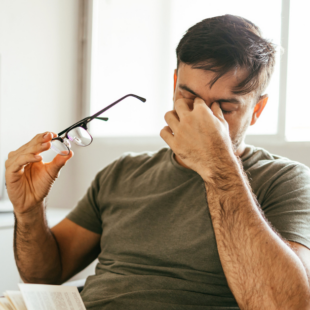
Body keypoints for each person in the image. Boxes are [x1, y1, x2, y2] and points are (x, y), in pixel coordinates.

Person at [5, 15, 310, 310]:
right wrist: (29, 211)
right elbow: (43, 276)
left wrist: (219, 169)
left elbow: (284, 306)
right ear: (175, 82)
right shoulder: (122, 173)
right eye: (188, 97)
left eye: (224, 108)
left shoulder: (285, 181)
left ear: (257, 110)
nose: (197, 118)